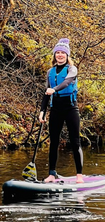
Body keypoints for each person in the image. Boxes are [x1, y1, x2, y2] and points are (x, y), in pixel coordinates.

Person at [39, 38, 83, 184]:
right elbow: (46, 92)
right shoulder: (50, 72)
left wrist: (54, 89)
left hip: (71, 108)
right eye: (57, 52)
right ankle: (52, 174)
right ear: (54, 55)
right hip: (56, 109)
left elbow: (67, 82)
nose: (60, 55)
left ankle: (79, 176)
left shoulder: (72, 69)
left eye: (62, 53)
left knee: (75, 142)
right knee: (54, 142)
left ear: (67, 55)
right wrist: (42, 111)